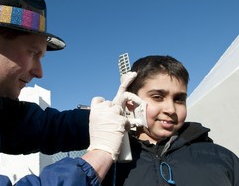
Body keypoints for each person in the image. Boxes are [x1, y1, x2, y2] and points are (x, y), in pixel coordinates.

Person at [0, 0, 145, 185]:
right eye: (33, 53)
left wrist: (107, 116)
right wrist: (98, 157)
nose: (39, 72)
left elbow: (47, 127)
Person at [102, 55, 239, 186]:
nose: (171, 109)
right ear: (130, 101)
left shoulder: (222, 158)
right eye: (157, 97)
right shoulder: (107, 165)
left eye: (179, 99)